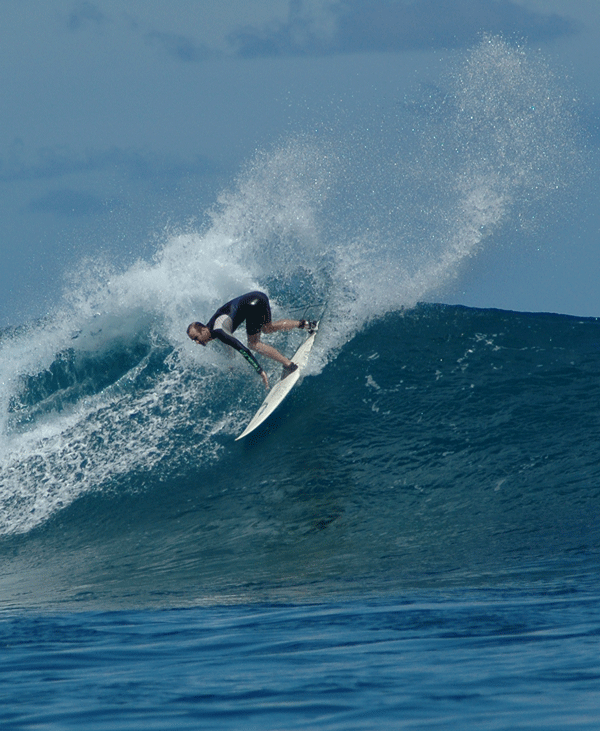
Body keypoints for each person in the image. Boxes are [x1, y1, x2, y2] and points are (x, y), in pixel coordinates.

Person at [187, 291, 315, 390]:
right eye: (194, 341)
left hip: (253, 306)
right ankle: (306, 324)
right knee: (267, 328)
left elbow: (243, 349)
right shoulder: (210, 328)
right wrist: (230, 360)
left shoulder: (218, 331)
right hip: (258, 297)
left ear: (203, 331)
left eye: (196, 338)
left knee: (253, 344)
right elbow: (228, 342)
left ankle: (289, 365)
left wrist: (260, 371)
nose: (197, 342)